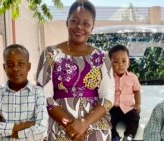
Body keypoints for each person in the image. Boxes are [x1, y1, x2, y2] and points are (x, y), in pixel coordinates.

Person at [36, 0, 115, 141]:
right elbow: (43, 94)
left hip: (94, 124)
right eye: (74, 20)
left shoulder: (102, 57)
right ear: (67, 22)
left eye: (86, 23)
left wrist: (84, 123)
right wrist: (69, 125)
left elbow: (108, 97)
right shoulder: (50, 53)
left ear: (92, 27)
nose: (79, 26)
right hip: (58, 122)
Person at [0, 44, 48, 141]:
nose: (15, 68)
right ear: (4, 67)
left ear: (29, 66)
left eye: (21, 64)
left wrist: (17, 134)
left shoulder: (38, 93)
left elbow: (42, 128)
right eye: (10, 65)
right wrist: (23, 125)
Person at [108, 45, 141, 141]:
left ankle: (129, 136)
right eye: (116, 62)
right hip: (113, 108)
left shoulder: (133, 77)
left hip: (128, 108)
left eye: (124, 61)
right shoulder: (109, 78)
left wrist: (138, 104)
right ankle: (114, 136)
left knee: (135, 118)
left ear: (129, 62)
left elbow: (137, 91)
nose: (120, 64)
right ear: (110, 63)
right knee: (106, 120)